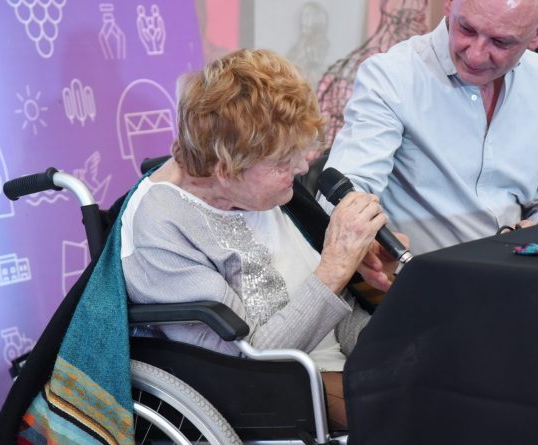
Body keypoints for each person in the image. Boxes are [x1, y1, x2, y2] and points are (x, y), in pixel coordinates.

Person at [120, 49, 403, 430]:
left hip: (335, 362)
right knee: (419, 409)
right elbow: (247, 364)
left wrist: (383, 319)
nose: (302, 167)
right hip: (272, 388)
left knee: (458, 366)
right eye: (284, 161)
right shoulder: (162, 229)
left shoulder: (263, 191)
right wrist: (335, 267)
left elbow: (341, 319)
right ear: (225, 170)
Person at [321, 0, 538, 255]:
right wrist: (365, 245)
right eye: (466, 29)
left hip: (517, 270)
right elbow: (342, 196)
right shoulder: (393, 76)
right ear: (448, 4)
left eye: (501, 42)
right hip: (417, 274)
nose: (476, 55)